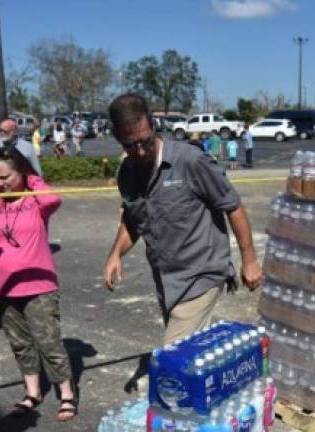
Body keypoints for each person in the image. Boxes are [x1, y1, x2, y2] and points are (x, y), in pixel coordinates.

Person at [102, 93, 263, 346]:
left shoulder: (189, 161)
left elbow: (233, 206)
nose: (140, 151)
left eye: (144, 141)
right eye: (130, 145)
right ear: (118, 138)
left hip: (201, 273)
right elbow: (133, 221)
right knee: (193, 357)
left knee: (173, 358)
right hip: (167, 280)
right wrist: (115, 254)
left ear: (153, 126)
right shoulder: (127, 173)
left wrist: (250, 260)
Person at [0, 146, 77, 421]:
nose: (1, 184)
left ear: (21, 171)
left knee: (49, 342)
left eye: (6, 177)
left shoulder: (36, 200)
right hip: (0, 285)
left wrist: (30, 177)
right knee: (20, 343)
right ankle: (32, 393)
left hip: (38, 285)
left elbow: (53, 199)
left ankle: (67, 394)